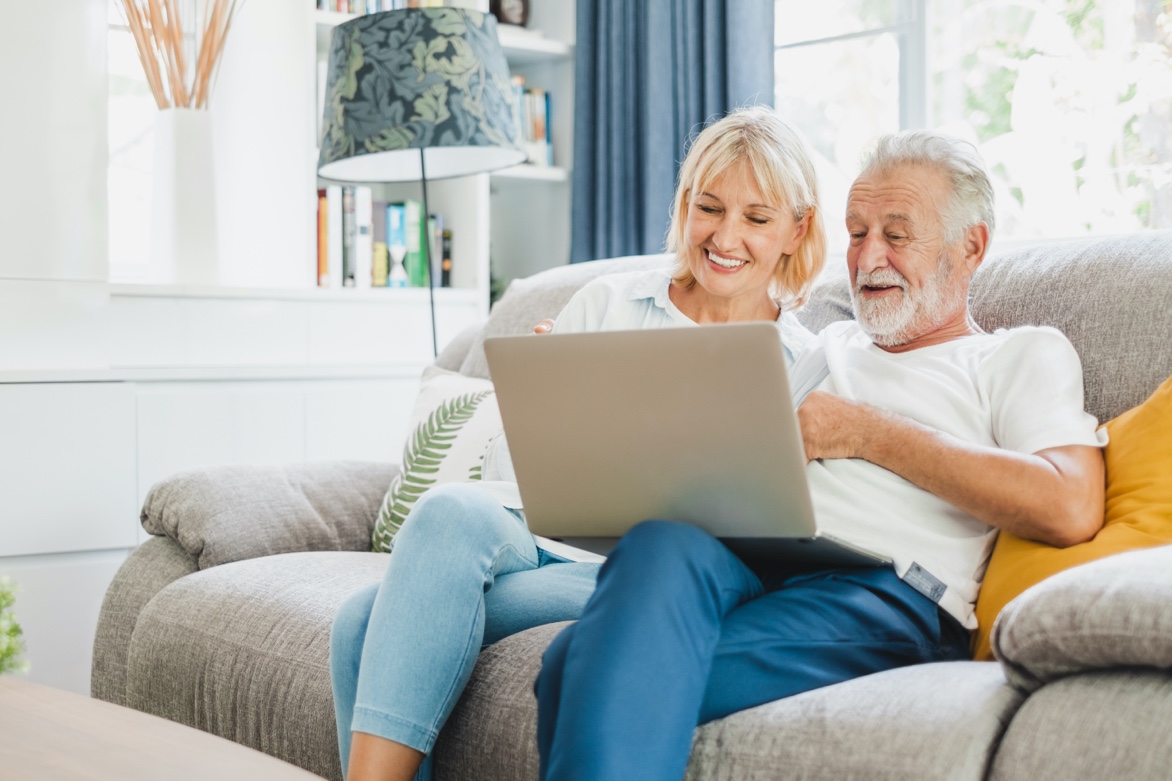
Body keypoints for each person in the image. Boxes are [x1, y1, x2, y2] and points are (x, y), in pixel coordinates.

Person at [533, 130, 1108, 781]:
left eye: (897, 234)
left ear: (970, 245)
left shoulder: (1015, 354)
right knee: (660, 540)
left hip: (885, 590)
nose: (868, 258)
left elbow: (1070, 503)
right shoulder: (821, 346)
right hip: (756, 557)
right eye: (858, 233)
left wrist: (866, 432)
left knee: (573, 663)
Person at [329, 105, 827, 781]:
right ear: (685, 204)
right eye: (709, 207)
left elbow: (779, 519)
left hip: (640, 573)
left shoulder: (801, 362)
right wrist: (542, 408)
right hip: (545, 534)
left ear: (797, 229)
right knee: (447, 510)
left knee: (364, 619)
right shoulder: (609, 302)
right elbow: (516, 480)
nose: (726, 235)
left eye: (757, 218)